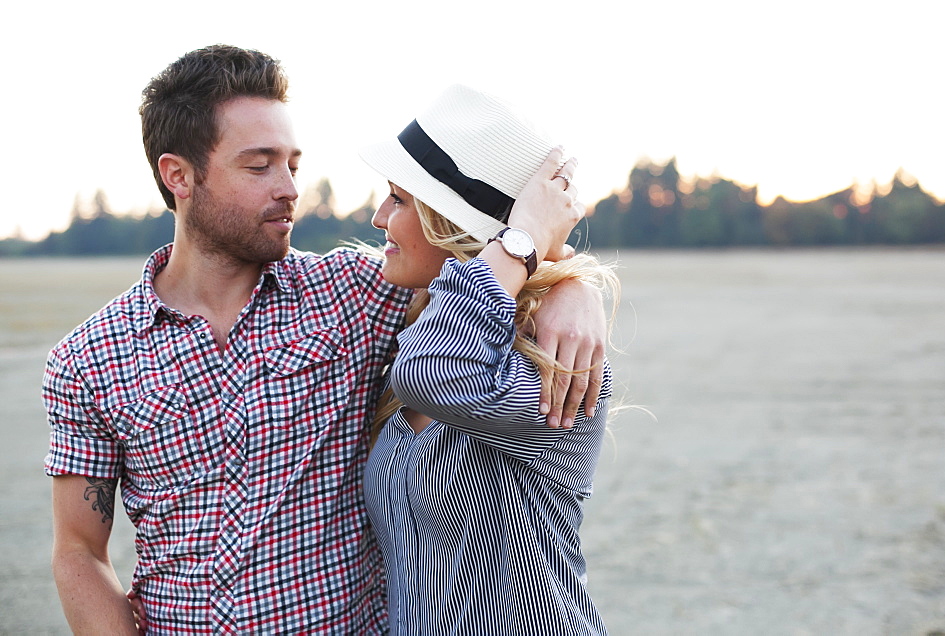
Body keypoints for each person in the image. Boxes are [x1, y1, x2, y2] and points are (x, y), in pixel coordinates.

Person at [43, 45, 607, 634]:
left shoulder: (356, 293)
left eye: (293, 163)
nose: (290, 188)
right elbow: (79, 551)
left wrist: (570, 284)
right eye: (260, 165)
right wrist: (553, 267)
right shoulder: (89, 358)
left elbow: (467, 264)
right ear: (178, 175)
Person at [359, 84, 618, 634]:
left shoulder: (552, 359)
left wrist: (525, 244)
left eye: (400, 199)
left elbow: (432, 376)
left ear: (453, 227)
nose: (379, 217)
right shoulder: (417, 322)